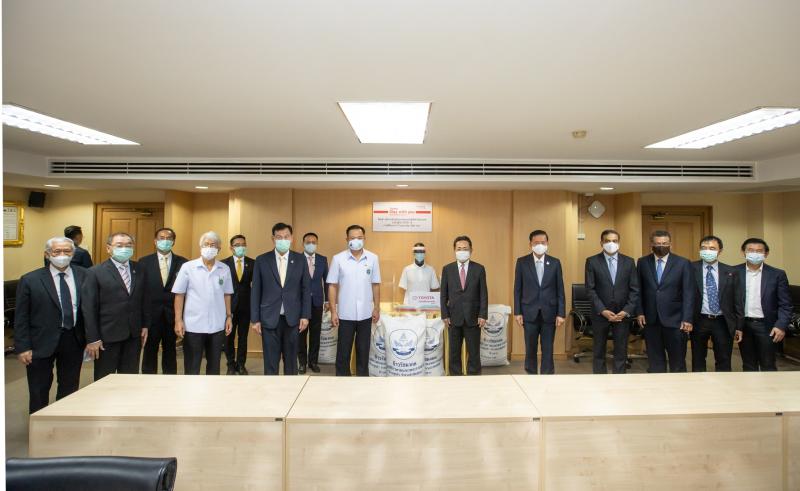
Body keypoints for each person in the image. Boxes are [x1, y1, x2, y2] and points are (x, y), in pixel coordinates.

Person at [15, 237, 87, 413]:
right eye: (57, 251)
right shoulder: (30, 279)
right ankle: (39, 423)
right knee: (39, 387)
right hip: (40, 341)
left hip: (73, 338)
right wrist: (23, 347)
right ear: (47, 254)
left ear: (73, 254)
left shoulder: (85, 275)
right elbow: (21, 316)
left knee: (69, 385)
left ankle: (63, 419)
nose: (62, 255)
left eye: (67, 251)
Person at [82, 232, 149, 380]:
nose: (124, 248)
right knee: (105, 378)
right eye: (119, 245)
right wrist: (93, 338)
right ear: (108, 248)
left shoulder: (140, 269)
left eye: (128, 245)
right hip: (107, 336)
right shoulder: (94, 272)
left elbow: (144, 299)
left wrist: (145, 325)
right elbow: (89, 308)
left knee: (129, 377)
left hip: (133, 334)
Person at [250, 223, 311, 375]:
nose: (283, 240)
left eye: (286, 237)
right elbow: (256, 291)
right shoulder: (262, 260)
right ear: (273, 239)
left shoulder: (300, 260)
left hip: (293, 319)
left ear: (292, 238)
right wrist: (255, 319)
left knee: (291, 362)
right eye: (279, 237)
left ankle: (291, 388)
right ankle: (272, 389)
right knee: (271, 363)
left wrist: (305, 315)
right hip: (269, 318)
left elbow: (305, 289)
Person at [172, 231, 233, 375]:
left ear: (219, 249)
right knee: (192, 367)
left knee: (214, 366)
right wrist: (178, 320)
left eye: (213, 245)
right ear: (200, 247)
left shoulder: (224, 269)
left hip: (217, 325)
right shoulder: (188, 267)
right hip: (193, 326)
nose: (209, 248)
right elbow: (179, 295)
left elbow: (227, 294)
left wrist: (229, 316)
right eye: (206, 244)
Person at [637, 230, 694, 373]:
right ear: (651, 244)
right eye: (657, 244)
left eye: (664, 243)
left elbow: (688, 292)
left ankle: (678, 386)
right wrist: (640, 312)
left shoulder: (683, 263)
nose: (661, 246)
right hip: (651, 320)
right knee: (655, 361)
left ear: (670, 244)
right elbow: (638, 290)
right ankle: (658, 385)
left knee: (677, 362)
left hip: (676, 320)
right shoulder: (642, 262)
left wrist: (687, 318)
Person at [327, 225, 381, 376]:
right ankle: (342, 382)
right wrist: (333, 311)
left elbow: (375, 284)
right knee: (343, 354)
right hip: (345, 314)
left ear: (364, 239)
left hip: (365, 314)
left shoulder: (373, 258)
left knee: (363, 353)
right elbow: (332, 286)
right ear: (347, 239)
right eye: (352, 238)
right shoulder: (338, 259)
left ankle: (362, 383)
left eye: (359, 238)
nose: (356, 240)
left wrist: (377, 307)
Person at [584, 229, 640, 374]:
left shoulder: (629, 262)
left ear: (619, 243)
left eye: (614, 241)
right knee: (598, 351)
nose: (611, 244)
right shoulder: (592, 261)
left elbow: (635, 289)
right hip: (600, 314)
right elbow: (590, 289)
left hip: (622, 314)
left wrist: (626, 311)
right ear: (601, 243)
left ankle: (619, 379)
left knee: (621, 351)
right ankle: (600, 379)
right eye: (607, 241)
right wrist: (602, 310)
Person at [513, 230, 565, 375]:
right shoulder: (522, 262)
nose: (540, 245)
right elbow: (517, 289)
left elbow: (560, 289)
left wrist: (561, 313)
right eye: (536, 243)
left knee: (548, 347)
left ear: (547, 243)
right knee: (530, 347)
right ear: (530, 244)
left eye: (543, 242)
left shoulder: (555, 263)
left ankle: (547, 376)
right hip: (529, 312)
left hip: (550, 312)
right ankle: (530, 375)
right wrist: (517, 312)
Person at [736, 238, 792, 371]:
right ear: (743, 252)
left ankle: (769, 385)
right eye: (751, 250)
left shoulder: (777, 274)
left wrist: (781, 326)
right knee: (748, 365)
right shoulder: (733, 272)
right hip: (743, 326)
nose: (754, 253)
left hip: (767, 327)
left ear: (766, 254)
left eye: (759, 251)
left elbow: (786, 304)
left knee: (768, 365)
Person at [690, 235, 743, 372]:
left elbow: (737, 300)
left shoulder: (731, 272)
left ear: (720, 251)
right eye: (704, 248)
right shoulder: (690, 268)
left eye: (712, 248)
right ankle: (698, 383)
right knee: (697, 358)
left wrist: (739, 325)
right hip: (699, 320)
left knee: (724, 359)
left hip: (722, 321)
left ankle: (723, 384)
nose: (707, 251)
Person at [139, 227, 187, 374]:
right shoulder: (144, 262)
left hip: (172, 315)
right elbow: (140, 291)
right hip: (151, 315)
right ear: (155, 241)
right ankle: (148, 379)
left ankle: (170, 379)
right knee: (150, 350)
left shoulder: (183, 263)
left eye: (168, 238)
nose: (165, 241)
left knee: (170, 350)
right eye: (161, 238)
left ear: (173, 241)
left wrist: (181, 317)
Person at [440, 235, 488, 376]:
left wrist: (483, 314)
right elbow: (443, 295)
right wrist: (445, 314)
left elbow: (483, 294)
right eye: (459, 248)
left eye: (465, 249)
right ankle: (456, 380)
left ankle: (474, 379)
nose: (462, 251)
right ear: (454, 250)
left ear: (471, 250)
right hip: (453, 318)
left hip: (473, 318)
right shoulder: (447, 269)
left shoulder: (479, 269)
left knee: (474, 353)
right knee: (454, 353)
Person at [222, 234, 254, 375]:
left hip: (246, 306)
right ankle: (230, 364)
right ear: (231, 247)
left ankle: (241, 364)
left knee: (243, 337)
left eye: (243, 244)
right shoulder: (223, 264)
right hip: (228, 307)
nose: (241, 247)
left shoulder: (252, 263)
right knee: (228, 337)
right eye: (237, 245)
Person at [298, 232, 328, 374]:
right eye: (308, 242)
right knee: (301, 334)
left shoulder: (322, 259)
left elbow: (327, 281)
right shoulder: (297, 259)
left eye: (313, 242)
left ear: (317, 243)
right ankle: (302, 363)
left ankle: (313, 362)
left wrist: (327, 300)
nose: (311, 244)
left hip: (317, 302)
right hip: (300, 303)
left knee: (315, 334)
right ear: (303, 243)